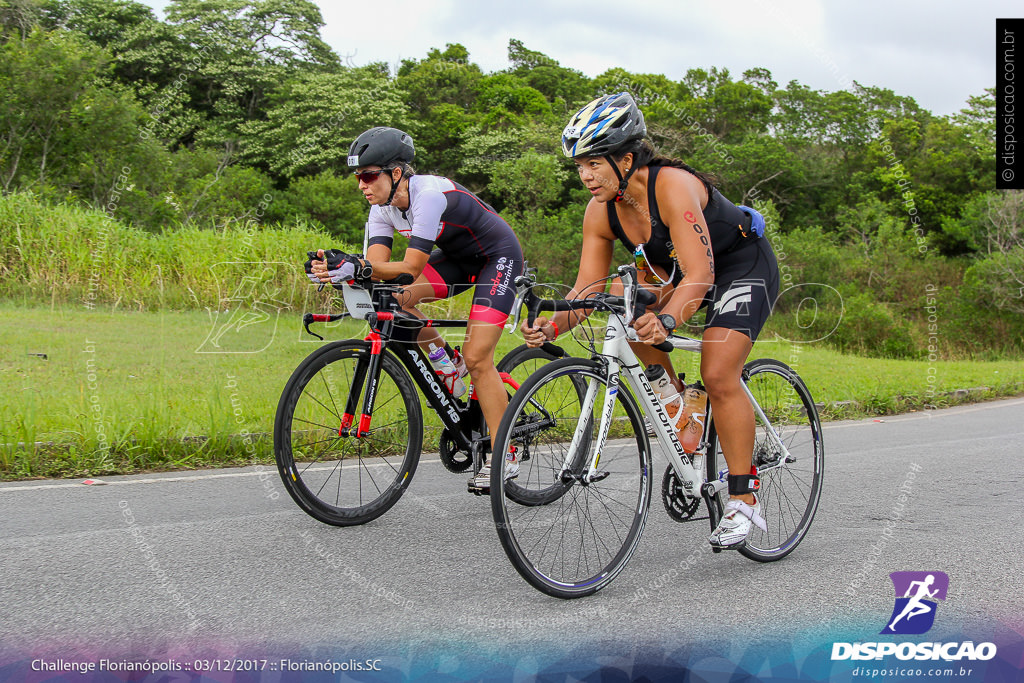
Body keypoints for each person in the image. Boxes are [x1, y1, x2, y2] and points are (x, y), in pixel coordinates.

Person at [522, 93, 780, 548]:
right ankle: (681, 402)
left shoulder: (671, 185)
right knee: (620, 299)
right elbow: (588, 289)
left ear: (625, 158)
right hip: (677, 274)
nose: (585, 175)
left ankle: (743, 499)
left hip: (741, 267)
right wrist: (551, 325)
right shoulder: (600, 210)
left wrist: (666, 320)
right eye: (579, 165)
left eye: (594, 163)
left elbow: (702, 274)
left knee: (719, 371)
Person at [307, 126, 524, 494]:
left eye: (368, 175)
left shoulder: (427, 194)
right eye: (358, 177)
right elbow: (376, 271)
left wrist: (359, 266)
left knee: (478, 356)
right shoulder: (381, 209)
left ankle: (506, 453)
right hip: (457, 259)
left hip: (497, 258)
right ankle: (447, 364)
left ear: (396, 173)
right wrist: (340, 269)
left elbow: (408, 267)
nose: (361, 184)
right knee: (393, 299)